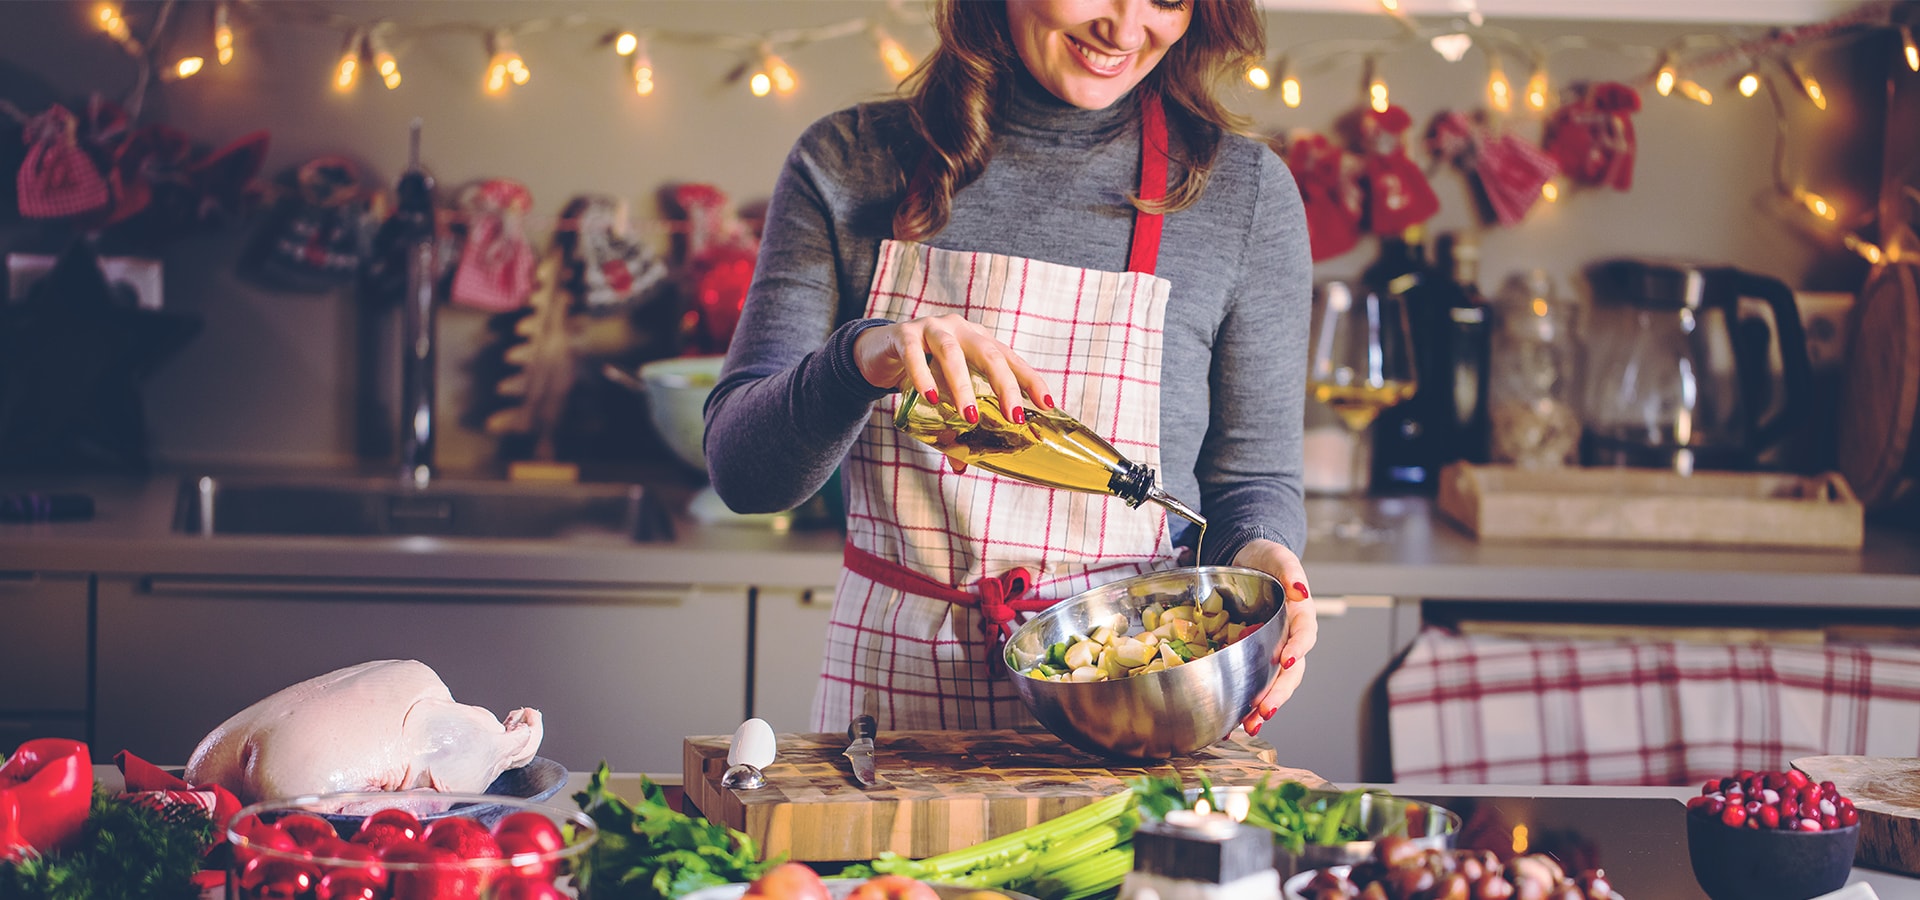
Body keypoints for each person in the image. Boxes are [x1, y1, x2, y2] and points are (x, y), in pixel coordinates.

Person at [705, 0, 1316, 737]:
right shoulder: (847, 162)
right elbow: (744, 475)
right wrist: (865, 357)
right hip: (892, 717)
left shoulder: (1242, 193)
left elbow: (1250, 481)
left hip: (1138, 701)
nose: (1124, 30)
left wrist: (1263, 558)